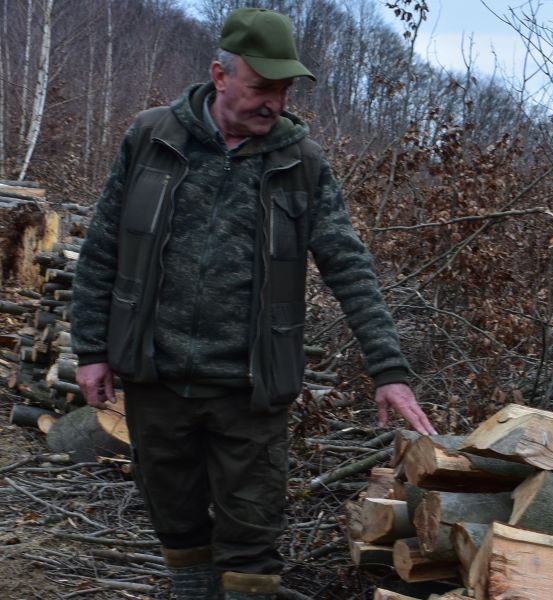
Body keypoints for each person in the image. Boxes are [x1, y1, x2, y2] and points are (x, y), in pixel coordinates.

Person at [71, 8, 436, 600]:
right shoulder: (151, 138)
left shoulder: (301, 162)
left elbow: (348, 266)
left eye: (284, 90)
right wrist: (90, 349)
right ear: (220, 75)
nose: (275, 102)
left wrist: (388, 370)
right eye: (262, 87)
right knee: (177, 523)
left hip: (251, 387)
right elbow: (103, 246)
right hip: (155, 375)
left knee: (252, 543)